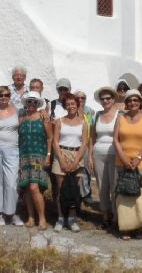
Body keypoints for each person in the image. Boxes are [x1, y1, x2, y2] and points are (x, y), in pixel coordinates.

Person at [113, 89, 142, 240]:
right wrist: (123, 158)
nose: (132, 103)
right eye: (129, 101)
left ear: (140, 102)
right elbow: (116, 139)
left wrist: (137, 157)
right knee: (123, 196)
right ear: (126, 103)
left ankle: (140, 227)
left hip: (141, 161)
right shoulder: (120, 118)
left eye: (135, 100)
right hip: (122, 161)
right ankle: (125, 227)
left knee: (141, 196)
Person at [51, 92, 89, 232]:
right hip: (61, 153)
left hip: (76, 155)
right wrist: (61, 160)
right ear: (65, 106)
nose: (71, 106)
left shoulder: (84, 123)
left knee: (74, 189)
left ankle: (72, 219)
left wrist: (75, 162)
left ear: (77, 105)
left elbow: (84, 143)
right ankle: (61, 218)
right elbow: (55, 141)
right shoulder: (60, 121)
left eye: (73, 104)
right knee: (61, 189)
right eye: (68, 104)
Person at [0, 85, 23, 226]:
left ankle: (12, 212)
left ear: (9, 97)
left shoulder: (17, 112)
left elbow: (22, 128)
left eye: (6, 95)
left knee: (12, 182)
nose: (4, 97)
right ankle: (0, 213)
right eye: (1, 95)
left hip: (13, 149)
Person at [18, 91, 52, 229]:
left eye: (34, 101)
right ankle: (31, 217)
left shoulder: (44, 118)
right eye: (29, 101)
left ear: (38, 104)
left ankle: (42, 218)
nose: (31, 104)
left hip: (39, 156)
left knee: (34, 187)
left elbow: (50, 138)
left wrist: (49, 155)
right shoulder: (22, 118)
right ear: (26, 103)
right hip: (24, 156)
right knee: (27, 188)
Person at [91, 86, 119, 227]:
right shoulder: (97, 115)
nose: (106, 101)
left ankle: (116, 216)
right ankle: (105, 216)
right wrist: (90, 156)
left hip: (115, 153)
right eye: (103, 99)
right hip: (98, 153)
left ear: (113, 99)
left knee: (115, 185)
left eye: (108, 98)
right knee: (102, 186)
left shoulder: (119, 114)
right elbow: (93, 137)